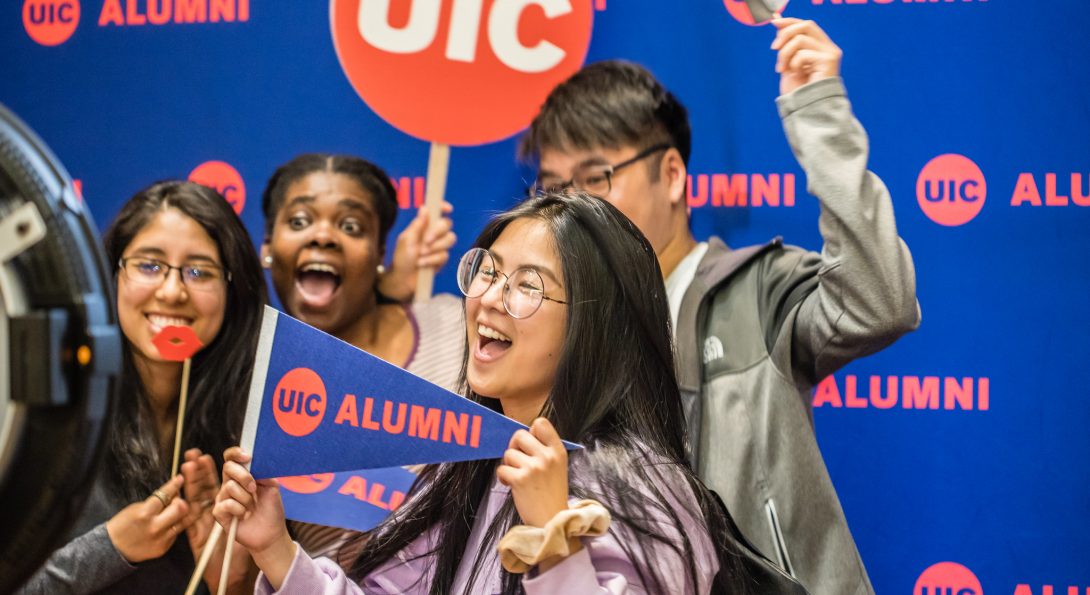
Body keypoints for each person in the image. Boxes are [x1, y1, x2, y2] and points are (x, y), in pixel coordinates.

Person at [211, 192, 800, 594]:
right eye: (488, 272)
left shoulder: (641, 483)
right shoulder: (463, 467)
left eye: (528, 286)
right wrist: (277, 552)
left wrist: (553, 538)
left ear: (592, 325)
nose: (489, 299)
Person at [519, 18, 920, 595]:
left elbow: (881, 303)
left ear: (673, 175)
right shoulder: (554, 324)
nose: (572, 207)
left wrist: (820, 116)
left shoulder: (756, 290)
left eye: (597, 177)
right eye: (554, 188)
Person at [18, 181, 267, 594]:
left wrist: (237, 581)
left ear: (232, 288)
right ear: (112, 273)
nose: (172, 291)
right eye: (149, 265)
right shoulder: (51, 418)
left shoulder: (252, 434)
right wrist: (111, 547)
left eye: (199, 271)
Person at [259, 153, 463, 562]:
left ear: (379, 251)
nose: (323, 236)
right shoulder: (257, 390)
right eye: (299, 221)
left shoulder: (457, 326)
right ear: (267, 248)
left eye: (351, 226)